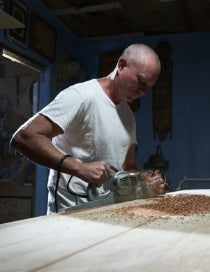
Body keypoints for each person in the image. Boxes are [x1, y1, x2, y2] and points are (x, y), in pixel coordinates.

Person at [11, 43, 165, 214]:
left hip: (111, 215)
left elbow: (128, 167)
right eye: (141, 81)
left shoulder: (129, 115)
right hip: (70, 215)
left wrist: (145, 182)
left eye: (148, 87)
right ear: (121, 66)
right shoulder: (81, 96)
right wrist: (80, 168)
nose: (143, 92)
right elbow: (24, 137)